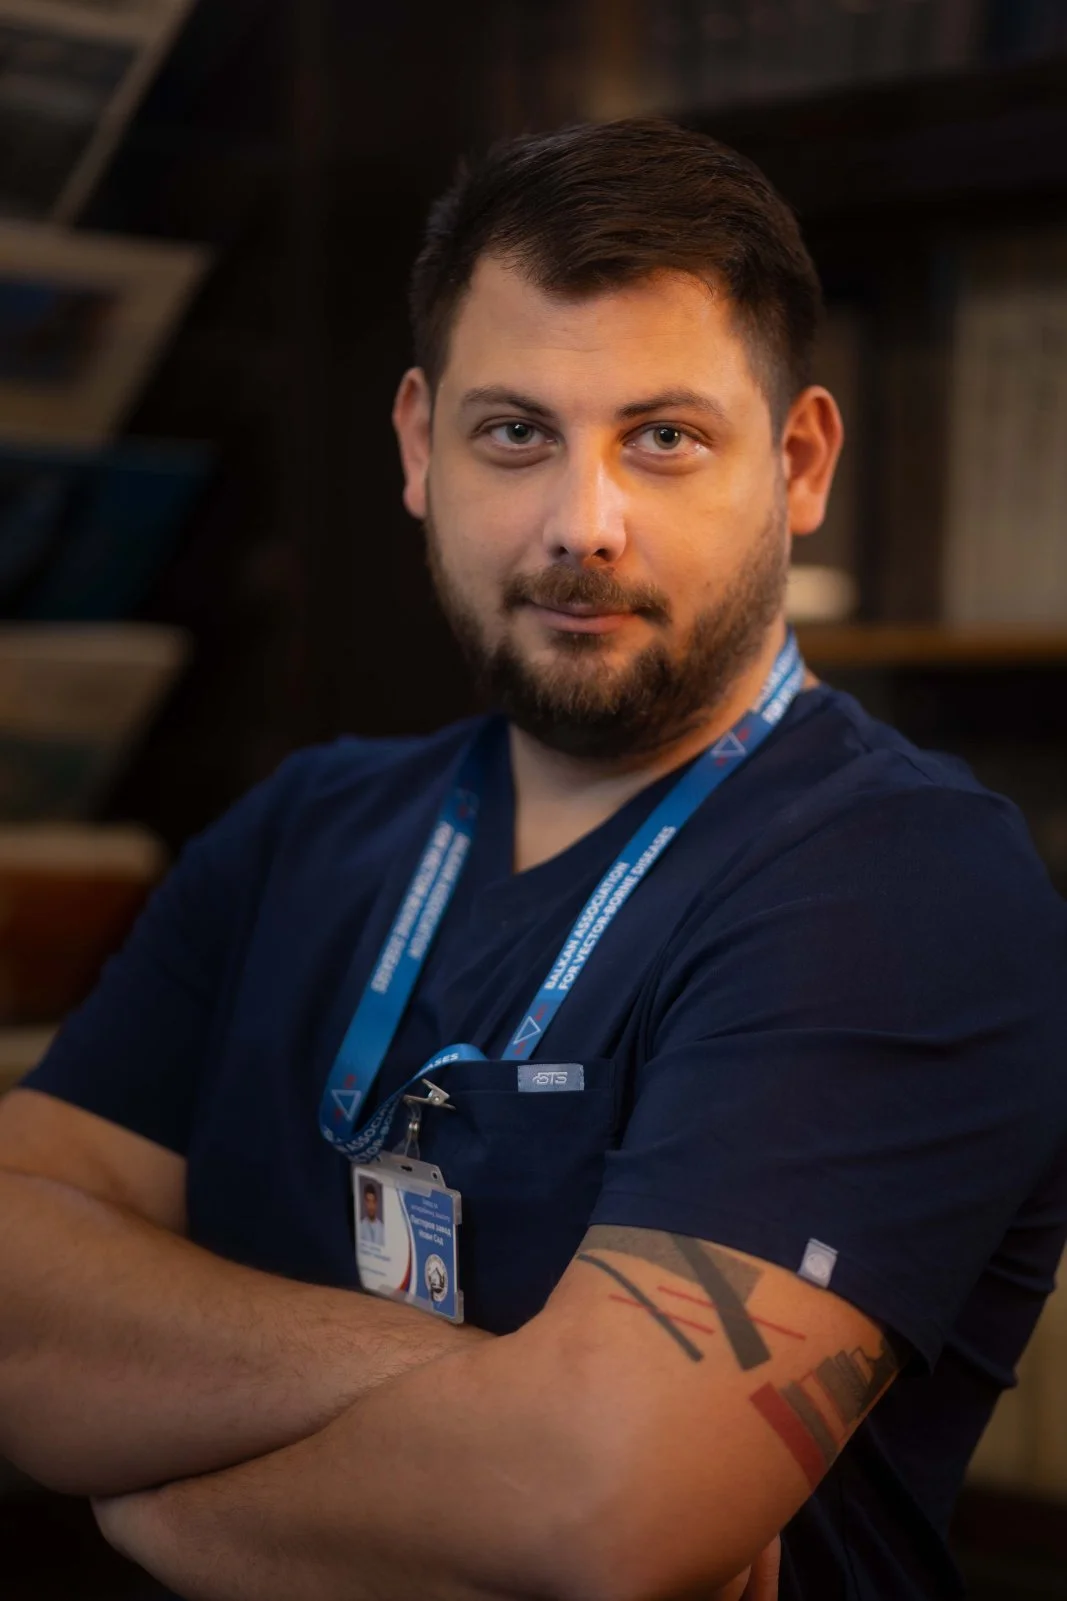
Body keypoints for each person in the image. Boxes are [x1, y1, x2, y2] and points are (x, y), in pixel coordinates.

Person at [0, 116, 1063, 1601]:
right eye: (516, 434)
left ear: (800, 462)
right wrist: (486, 1404)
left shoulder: (899, 882)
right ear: (416, 447)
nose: (584, 525)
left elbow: (595, 1514)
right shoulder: (304, 826)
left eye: (664, 437)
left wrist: (155, 1499)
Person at [358, 1181, 384, 1247]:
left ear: (376, 1204)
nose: (371, 1206)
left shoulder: (382, 1228)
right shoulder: (360, 1227)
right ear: (365, 1203)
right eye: (368, 1201)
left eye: (373, 1202)